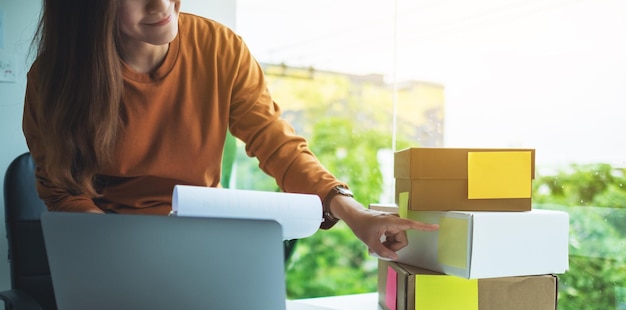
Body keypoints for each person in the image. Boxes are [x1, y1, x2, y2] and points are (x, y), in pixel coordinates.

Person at [23, 0, 437, 261]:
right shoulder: (52, 79)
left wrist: (354, 214)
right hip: (108, 252)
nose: (161, 4)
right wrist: (123, 252)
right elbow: (61, 190)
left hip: (199, 246)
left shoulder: (220, 48)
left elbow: (277, 144)